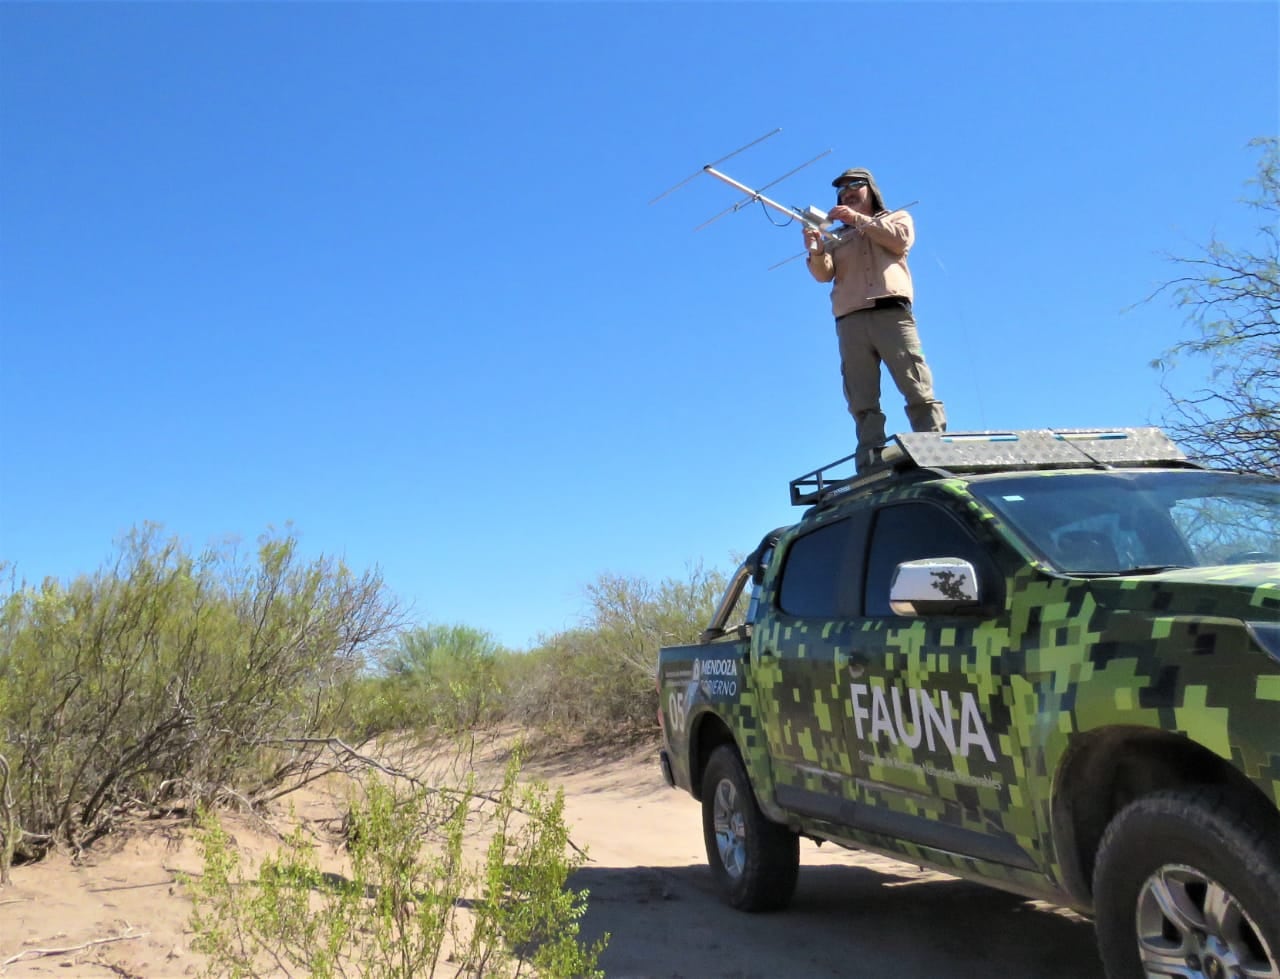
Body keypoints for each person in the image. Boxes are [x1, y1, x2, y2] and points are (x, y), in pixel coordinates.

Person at [804, 167, 946, 471]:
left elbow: (899, 241)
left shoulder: (896, 219)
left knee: (915, 383)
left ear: (871, 189)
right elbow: (822, 274)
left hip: (890, 312)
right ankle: (870, 458)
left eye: (855, 185)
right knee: (861, 396)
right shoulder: (836, 236)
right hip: (850, 320)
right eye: (842, 191)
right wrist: (816, 250)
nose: (847, 193)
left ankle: (933, 446)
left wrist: (857, 220)